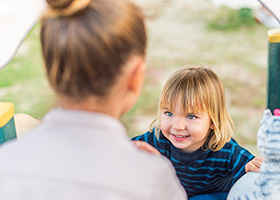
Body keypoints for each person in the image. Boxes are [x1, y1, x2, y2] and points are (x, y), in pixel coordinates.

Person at [0, 0, 187, 199]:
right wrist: (151, 169)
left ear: (49, 70)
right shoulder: (153, 180)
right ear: (136, 76)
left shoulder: (7, 164)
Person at [132, 66, 263, 200]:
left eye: (191, 116)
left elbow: (253, 175)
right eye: (169, 113)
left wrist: (251, 167)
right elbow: (121, 148)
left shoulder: (227, 151)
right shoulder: (157, 139)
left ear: (213, 120)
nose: (177, 126)